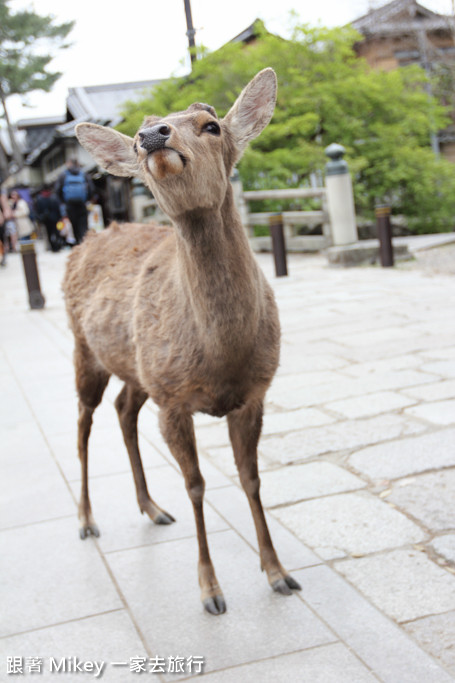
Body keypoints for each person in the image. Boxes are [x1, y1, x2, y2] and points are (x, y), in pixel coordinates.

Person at [55, 159, 95, 244]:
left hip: (70, 205)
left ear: (68, 164)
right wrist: (86, 199)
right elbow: (92, 189)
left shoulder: (63, 175)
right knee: (84, 226)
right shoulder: (83, 174)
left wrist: (64, 202)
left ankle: (78, 243)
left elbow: (57, 191)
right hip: (82, 204)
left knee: (75, 226)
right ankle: (85, 244)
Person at [35, 185, 64, 252]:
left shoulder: (40, 199)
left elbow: (38, 211)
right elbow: (58, 209)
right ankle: (56, 247)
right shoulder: (53, 198)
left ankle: (54, 247)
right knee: (55, 233)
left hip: (48, 220)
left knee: (51, 233)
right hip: (52, 219)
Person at [0, 189, 17, 253]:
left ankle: (10, 248)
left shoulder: (2, 197)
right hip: (4, 221)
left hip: (5, 221)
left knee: (8, 234)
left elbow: (7, 212)